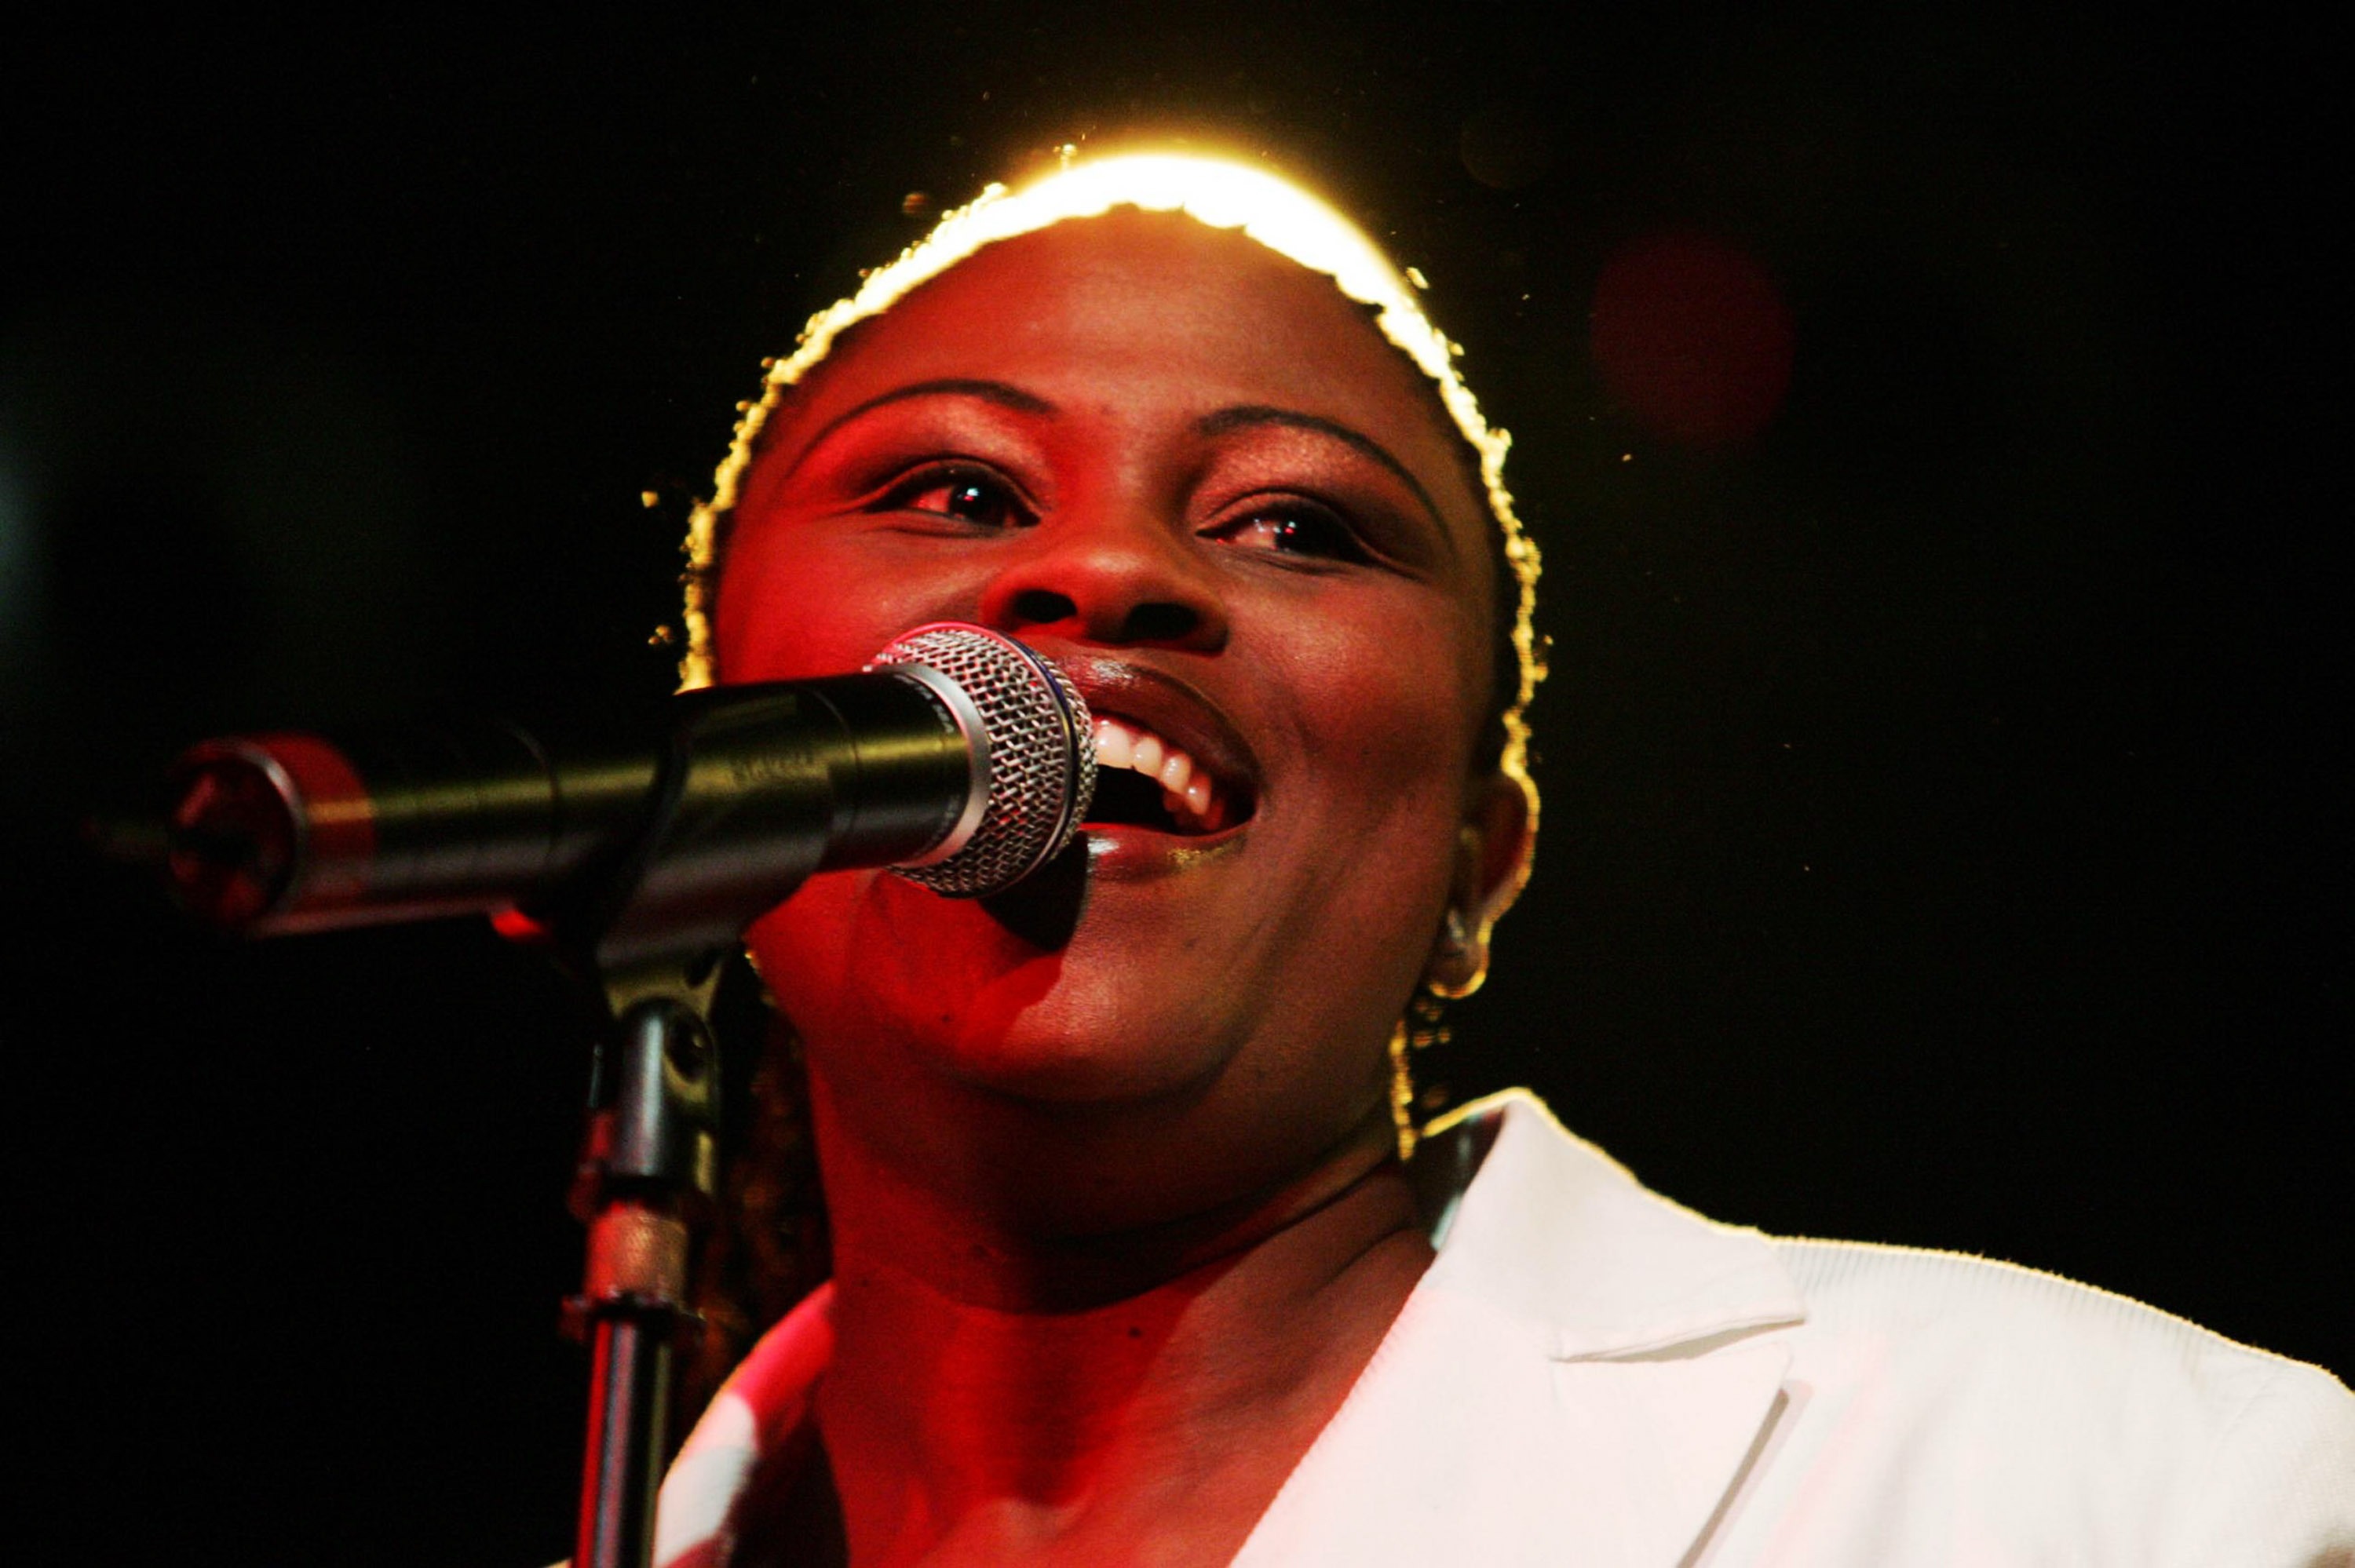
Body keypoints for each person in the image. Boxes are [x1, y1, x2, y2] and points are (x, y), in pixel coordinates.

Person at [644, 152, 2353, 1566]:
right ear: (718, 769)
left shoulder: (2130, 1493)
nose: (1103, 566)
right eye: (954, 492)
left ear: (1479, 865)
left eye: (1296, 522)